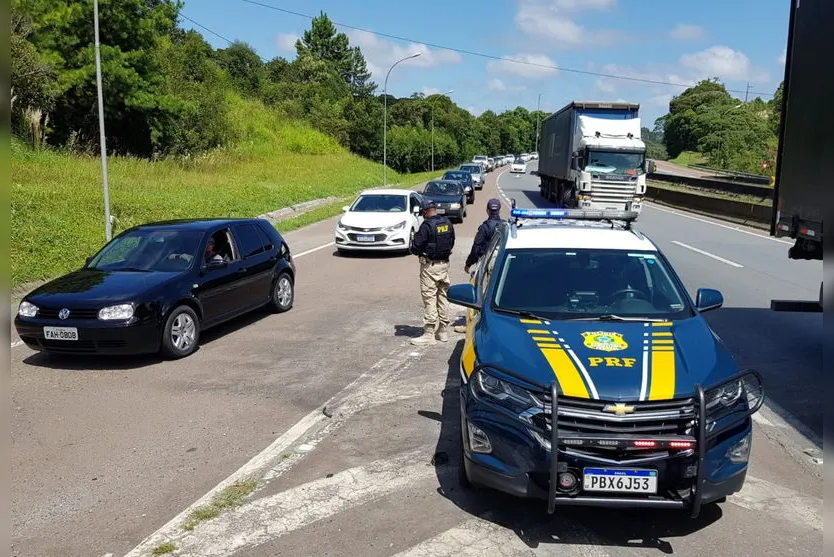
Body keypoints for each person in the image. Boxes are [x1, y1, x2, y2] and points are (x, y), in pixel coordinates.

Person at [455, 198, 505, 333]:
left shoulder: (484, 227)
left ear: (488, 210)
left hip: (487, 263)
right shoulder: (504, 226)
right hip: (502, 264)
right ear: (499, 210)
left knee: (480, 293)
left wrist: (469, 263)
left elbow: (476, 247)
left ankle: (475, 325)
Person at [410, 199, 455, 345]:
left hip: (430, 266)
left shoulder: (427, 225)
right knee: (443, 297)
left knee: (429, 297)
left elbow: (415, 247)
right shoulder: (447, 223)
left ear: (425, 212)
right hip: (444, 265)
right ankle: (443, 331)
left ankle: (429, 333)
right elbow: (452, 241)